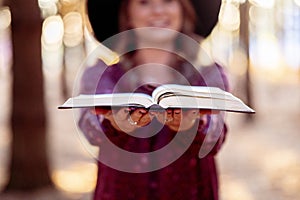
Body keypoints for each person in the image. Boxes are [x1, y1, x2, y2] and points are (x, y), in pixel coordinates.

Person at [78, 0, 229, 199]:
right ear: (127, 13)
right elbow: (90, 128)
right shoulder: (102, 78)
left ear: (184, 9)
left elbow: (215, 133)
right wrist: (113, 123)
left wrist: (193, 123)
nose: (158, 10)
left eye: (168, 0)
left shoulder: (207, 77)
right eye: (144, 2)